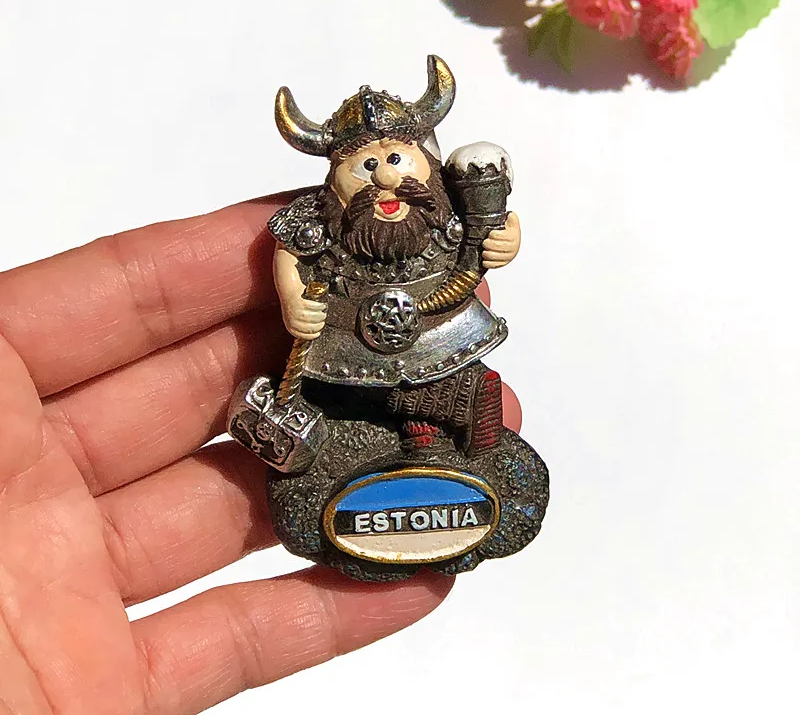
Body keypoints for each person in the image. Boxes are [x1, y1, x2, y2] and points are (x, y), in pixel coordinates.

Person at [0, 192, 521, 714]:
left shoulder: (440, 223)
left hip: (432, 340)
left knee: (447, 394)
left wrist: (503, 237)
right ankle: (399, 455)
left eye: (398, 158)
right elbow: (289, 257)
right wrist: (295, 301)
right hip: (341, 355)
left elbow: (483, 240)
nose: (386, 178)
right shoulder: (318, 226)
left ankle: (442, 445)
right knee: (356, 408)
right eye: (366, 164)